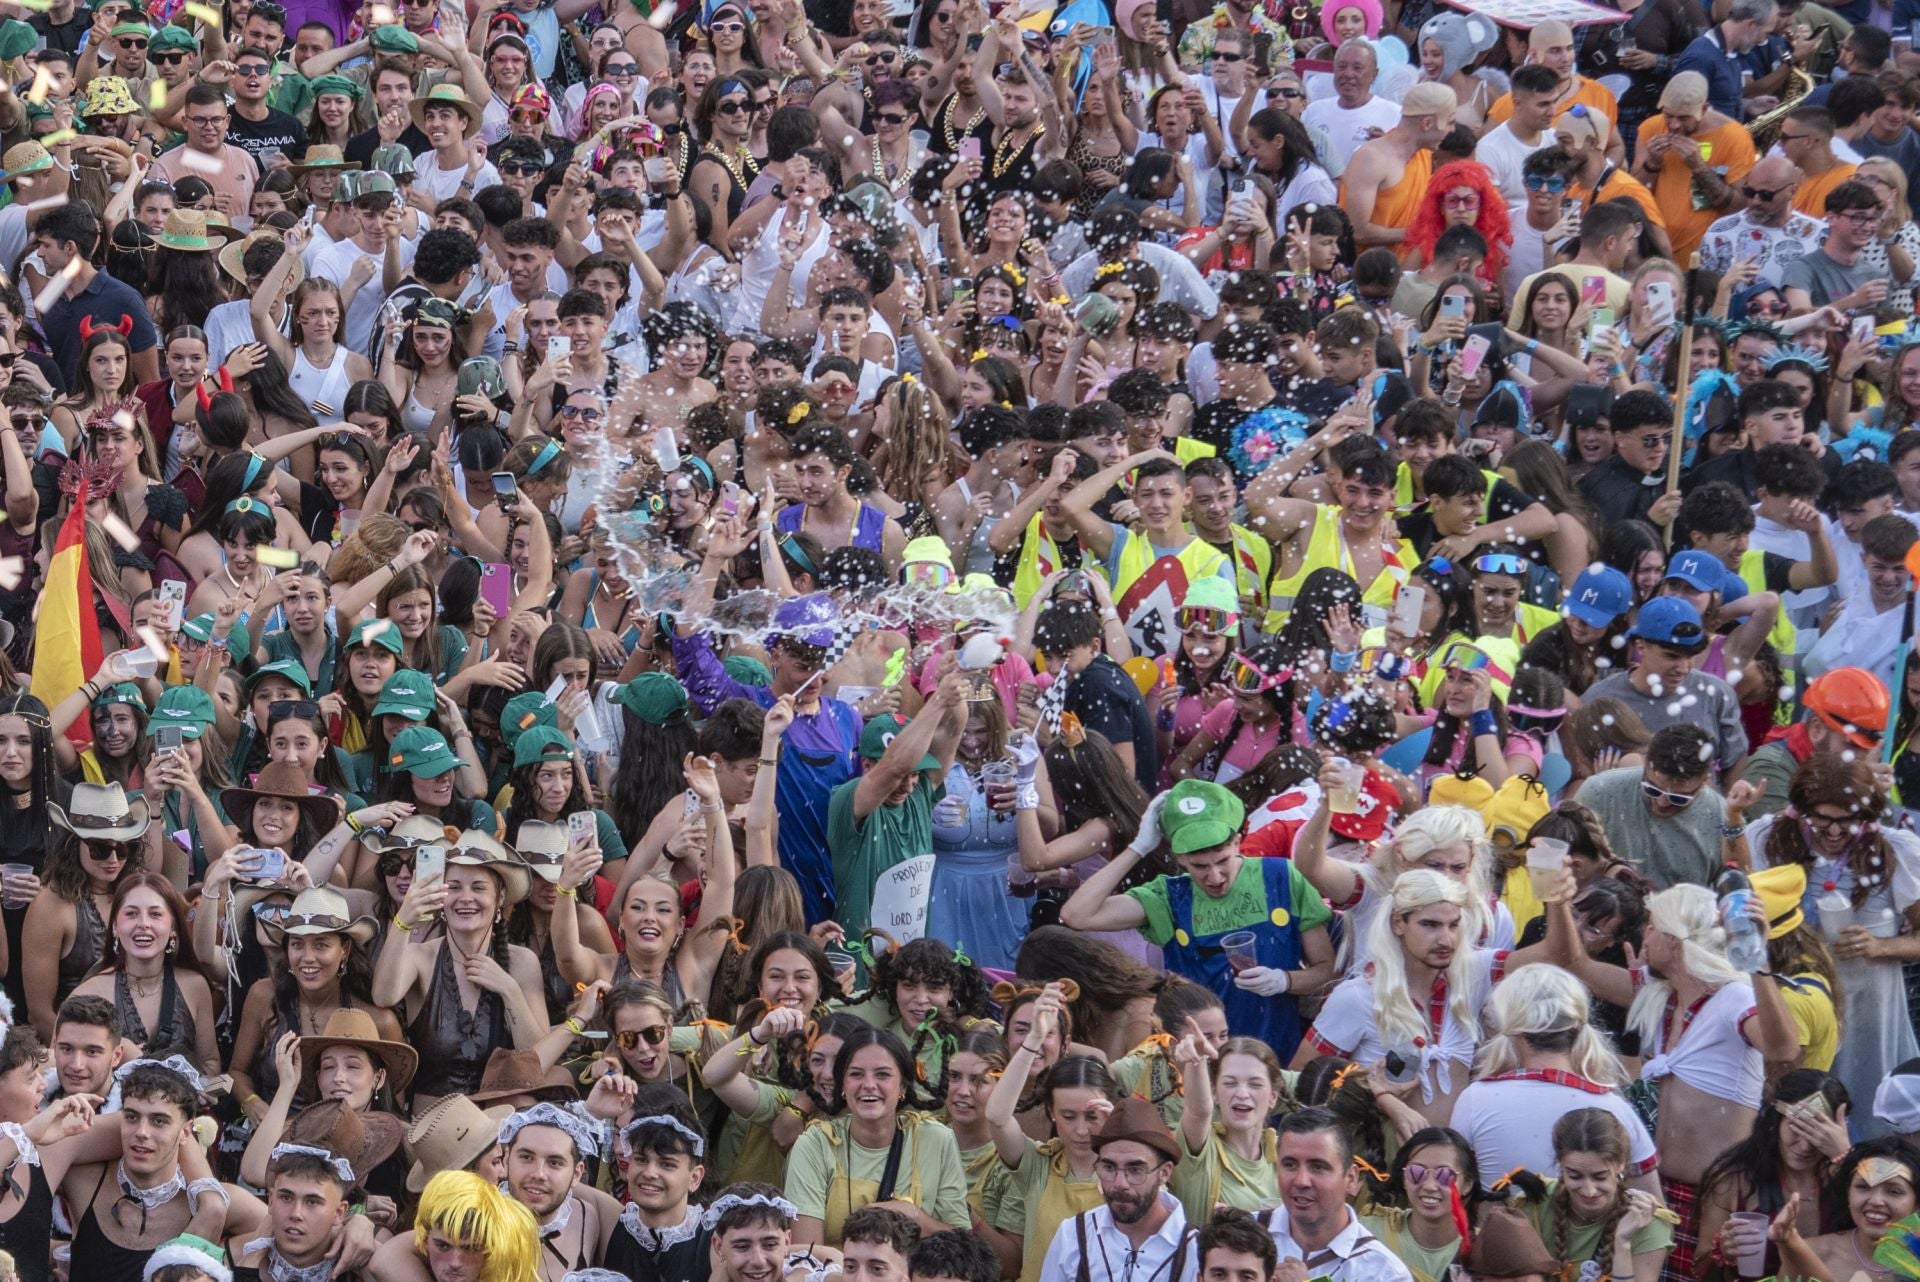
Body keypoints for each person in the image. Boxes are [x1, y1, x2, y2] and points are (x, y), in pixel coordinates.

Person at [1060, 778, 1335, 1061]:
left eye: (1222, 860)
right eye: (1200, 866)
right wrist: (1139, 848)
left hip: (1274, 1061)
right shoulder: (1168, 897)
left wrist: (1284, 980)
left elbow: (1327, 971)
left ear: (1238, 842)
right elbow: (1076, 915)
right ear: (1179, 858)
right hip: (1199, 1066)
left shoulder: (1283, 877)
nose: (1214, 877)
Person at [1034, 1096, 1196, 1282]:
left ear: (1164, 1173)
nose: (1120, 1183)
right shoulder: (1073, 1235)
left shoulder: (1195, 1249)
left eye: (1135, 1170)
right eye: (1109, 1168)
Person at [1261, 1108, 1415, 1282]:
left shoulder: (1383, 1272)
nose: (1301, 1181)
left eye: (1318, 1167)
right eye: (1290, 1165)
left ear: (1351, 1178)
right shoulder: (1242, 1235)